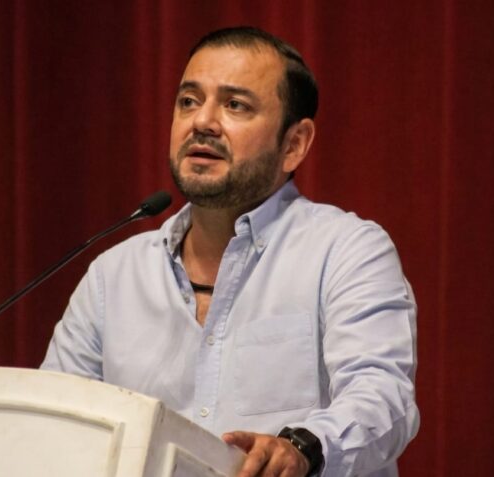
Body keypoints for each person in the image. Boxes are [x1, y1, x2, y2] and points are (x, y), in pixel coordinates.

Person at [41, 26, 419, 477]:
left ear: (294, 144)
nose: (202, 121)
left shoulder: (345, 252)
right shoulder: (113, 276)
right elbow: (52, 424)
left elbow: (383, 398)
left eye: (235, 105)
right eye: (188, 101)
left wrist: (301, 448)